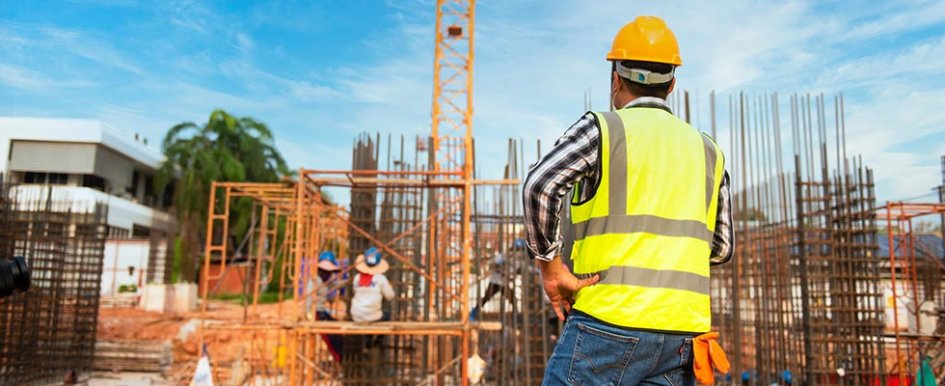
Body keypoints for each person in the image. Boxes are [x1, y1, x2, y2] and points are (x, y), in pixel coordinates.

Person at [522, 15, 734, 386]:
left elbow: (540, 186)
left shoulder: (604, 130)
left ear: (615, 78)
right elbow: (721, 248)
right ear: (672, 83)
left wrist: (551, 269)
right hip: (683, 336)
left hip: (607, 324)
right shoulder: (709, 151)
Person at [309, 251, 344, 361]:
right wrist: (308, 314)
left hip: (322, 313)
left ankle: (341, 354)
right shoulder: (315, 281)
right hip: (316, 314)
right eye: (326, 272)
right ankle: (339, 357)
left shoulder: (323, 281)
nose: (328, 275)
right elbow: (308, 300)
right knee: (331, 337)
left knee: (337, 330)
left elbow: (336, 284)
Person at [351, 247, 395, 323]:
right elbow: (390, 296)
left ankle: (367, 334)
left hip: (356, 315)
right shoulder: (381, 278)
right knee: (387, 314)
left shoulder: (357, 278)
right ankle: (378, 334)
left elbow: (355, 292)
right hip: (372, 316)